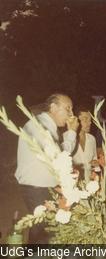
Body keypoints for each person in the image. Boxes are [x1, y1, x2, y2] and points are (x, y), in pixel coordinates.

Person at [15, 93, 78, 243]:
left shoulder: (46, 125)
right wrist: (71, 133)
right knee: (46, 232)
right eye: (67, 108)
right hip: (36, 187)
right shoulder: (39, 126)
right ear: (53, 107)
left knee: (40, 230)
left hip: (40, 186)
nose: (71, 114)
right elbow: (58, 156)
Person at [72, 107, 98, 183]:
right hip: (73, 184)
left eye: (90, 120)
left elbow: (95, 161)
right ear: (76, 120)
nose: (90, 123)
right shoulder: (67, 140)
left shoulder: (92, 139)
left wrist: (95, 166)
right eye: (85, 119)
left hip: (90, 184)